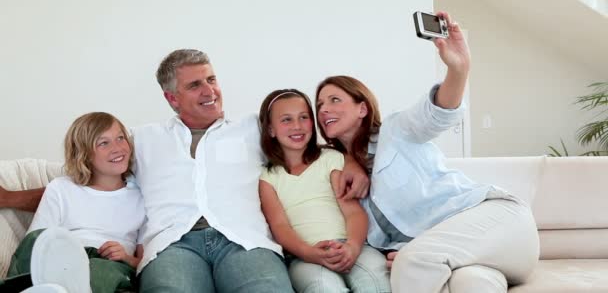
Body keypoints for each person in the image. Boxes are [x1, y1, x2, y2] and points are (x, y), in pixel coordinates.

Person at [0, 49, 370, 292]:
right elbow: (87, 179)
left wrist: (352, 158)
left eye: (211, 79)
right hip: (172, 246)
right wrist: (10, 198)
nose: (210, 89)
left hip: (243, 242)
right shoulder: (141, 139)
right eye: (195, 84)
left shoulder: (252, 129)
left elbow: (308, 141)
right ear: (172, 98)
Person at [314, 12, 540, 293]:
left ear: (362, 108)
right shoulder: (337, 172)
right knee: (469, 285)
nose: (324, 109)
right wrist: (350, 159)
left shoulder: (396, 131)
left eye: (335, 100)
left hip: (499, 223)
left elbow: (436, 114)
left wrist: (458, 70)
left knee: (413, 262)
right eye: (320, 104)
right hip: (470, 256)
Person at [257, 89, 391, 292]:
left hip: (352, 246)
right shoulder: (268, 178)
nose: (297, 126)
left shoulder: (331, 159)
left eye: (304, 117)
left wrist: (353, 247)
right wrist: (309, 253)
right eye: (286, 120)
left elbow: (354, 212)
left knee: (374, 284)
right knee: (323, 288)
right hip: (304, 257)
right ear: (270, 130)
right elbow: (280, 227)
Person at [0, 112, 145, 293]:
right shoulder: (61, 188)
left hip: (107, 264)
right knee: (35, 240)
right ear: (84, 154)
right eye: (103, 143)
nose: (117, 148)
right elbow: (36, 244)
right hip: (61, 257)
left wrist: (125, 257)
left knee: (99, 272)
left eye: (120, 138)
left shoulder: (142, 197)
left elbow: (145, 263)